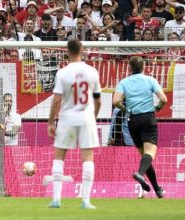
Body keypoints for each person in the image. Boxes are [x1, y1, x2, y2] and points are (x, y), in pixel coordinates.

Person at [46, 39, 101, 209]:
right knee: (87, 158)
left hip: (67, 118)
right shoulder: (92, 71)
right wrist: (93, 116)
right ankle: (85, 201)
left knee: (59, 156)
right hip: (86, 118)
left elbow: (56, 99)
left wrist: (50, 121)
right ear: (82, 50)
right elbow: (98, 100)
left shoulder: (63, 73)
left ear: (67, 51)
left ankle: (56, 199)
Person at [112, 56, 168, 198]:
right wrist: (158, 108)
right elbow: (163, 99)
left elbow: (116, 101)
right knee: (150, 154)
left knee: (145, 156)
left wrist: (126, 109)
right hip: (148, 118)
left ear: (129, 68)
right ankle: (140, 173)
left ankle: (157, 189)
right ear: (144, 67)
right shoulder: (150, 80)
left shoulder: (123, 82)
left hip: (133, 120)